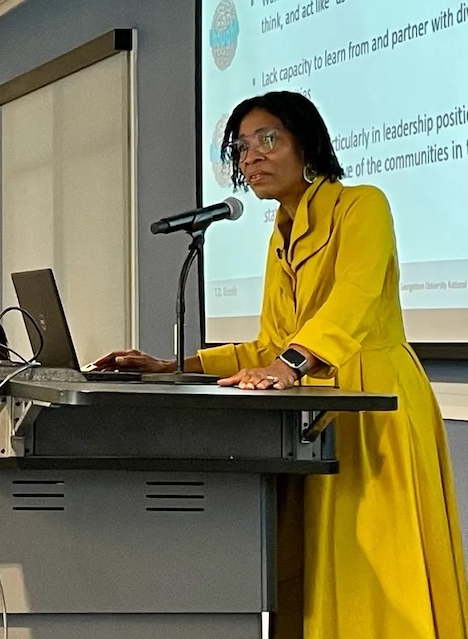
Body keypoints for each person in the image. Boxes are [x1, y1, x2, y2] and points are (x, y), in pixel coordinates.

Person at [94, 91, 468, 638]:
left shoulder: (362, 204)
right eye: (242, 147)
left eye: (268, 140)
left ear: (307, 144)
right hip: (314, 412)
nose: (252, 157)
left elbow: (355, 299)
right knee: (317, 565)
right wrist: (173, 364)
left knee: (377, 568)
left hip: (374, 405)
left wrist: (291, 363)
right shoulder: (280, 235)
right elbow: (270, 342)